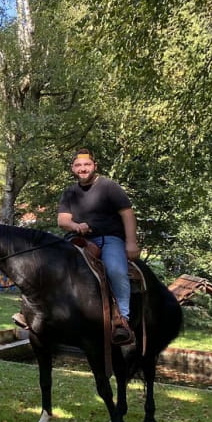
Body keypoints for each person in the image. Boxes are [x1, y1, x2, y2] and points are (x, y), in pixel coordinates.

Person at [57, 148, 138, 345]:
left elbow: (127, 214)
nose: (83, 168)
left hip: (110, 238)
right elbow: (63, 220)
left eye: (87, 165)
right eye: (78, 165)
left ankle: (122, 320)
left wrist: (131, 242)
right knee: (51, 266)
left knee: (116, 270)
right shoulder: (70, 192)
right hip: (79, 239)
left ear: (95, 166)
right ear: (72, 168)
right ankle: (40, 312)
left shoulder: (109, 187)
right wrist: (76, 226)